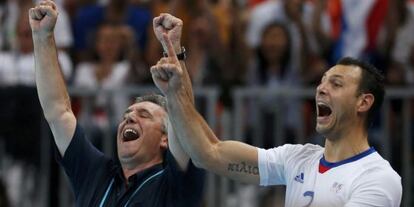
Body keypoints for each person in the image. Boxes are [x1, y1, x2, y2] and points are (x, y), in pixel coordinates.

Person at [150, 15, 402, 206]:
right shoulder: (297, 158)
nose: (321, 89)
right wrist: (175, 81)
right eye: (322, 81)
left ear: (364, 102)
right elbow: (208, 152)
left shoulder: (378, 177)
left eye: (336, 84)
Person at [29, 1, 204, 206]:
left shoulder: (173, 185)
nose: (129, 117)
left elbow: (186, 129)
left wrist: (173, 51)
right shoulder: (95, 175)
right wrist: (42, 37)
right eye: (127, 115)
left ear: (165, 139)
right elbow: (58, 112)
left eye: (144, 115)